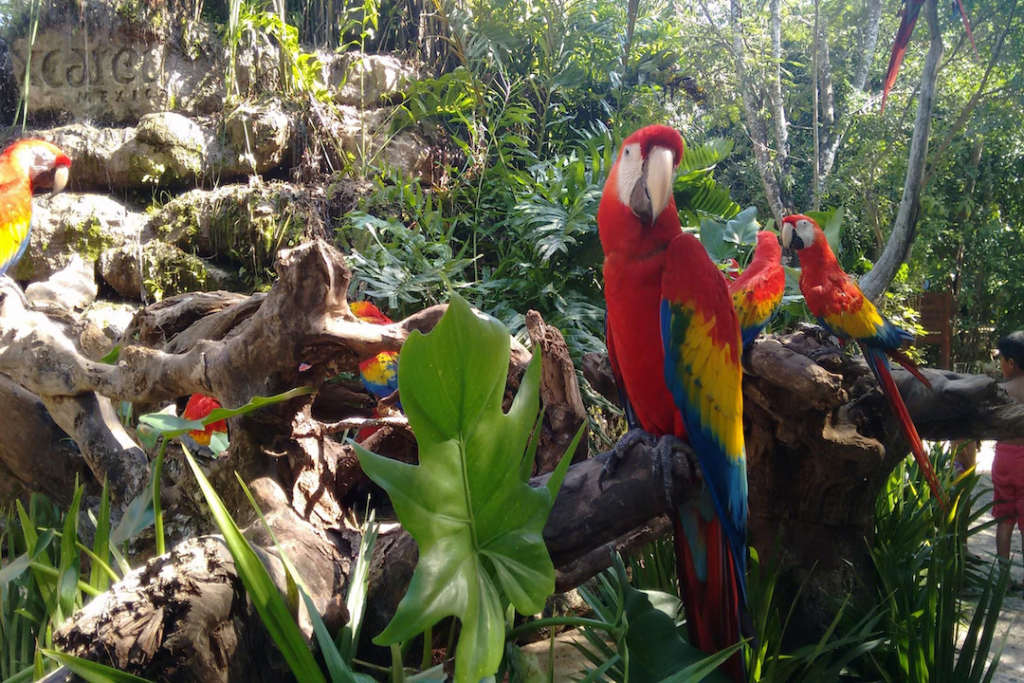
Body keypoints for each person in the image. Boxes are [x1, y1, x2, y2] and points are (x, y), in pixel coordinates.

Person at [992, 331, 1024, 577]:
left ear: (1011, 363)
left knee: (1004, 518)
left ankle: (1003, 576)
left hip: (1003, 458)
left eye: (1000, 359)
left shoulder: (1002, 392)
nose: (999, 364)